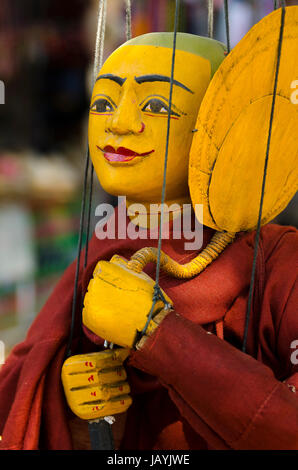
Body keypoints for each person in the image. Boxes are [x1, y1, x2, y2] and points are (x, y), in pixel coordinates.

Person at [0, 31, 297, 451]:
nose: (118, 122)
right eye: (103, 102)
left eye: (157, 105)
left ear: (227, 126)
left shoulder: (280, 260)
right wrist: (70, 399)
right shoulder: (107, 245)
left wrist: (158, 335)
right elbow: (23, 386)